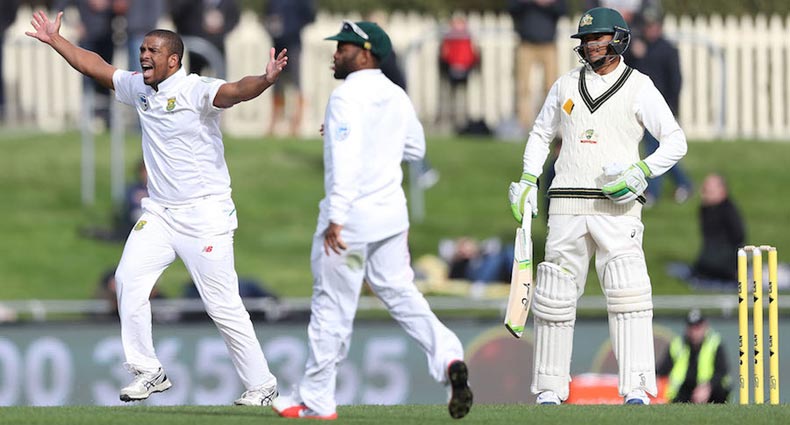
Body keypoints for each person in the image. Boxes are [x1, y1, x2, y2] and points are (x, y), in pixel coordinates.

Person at [26, 10, 288, 405]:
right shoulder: (141, 87)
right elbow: (95, 66)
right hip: (160, 213)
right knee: (127, 281)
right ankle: (148, 371)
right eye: (143, 49)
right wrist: (56, 40)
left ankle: (262, 385)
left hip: (205, 215)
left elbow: (235, 91)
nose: (144, 55)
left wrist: (265, 80)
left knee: (222, 305)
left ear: (173, 59)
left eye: (152, 51)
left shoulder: (196, 90)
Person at [272, 21, 472, 420]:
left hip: (351, 221)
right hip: (391, 218)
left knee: (332, 307)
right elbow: (415, 149)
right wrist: (375, 138)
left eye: (343, 48)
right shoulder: (396, 94)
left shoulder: (345, 96)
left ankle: (317, 400)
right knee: (401, 292)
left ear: (365, 54)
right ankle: (449, 357)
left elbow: (345, 163)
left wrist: (336, 217)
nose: (335, 54)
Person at [507, 7, 687, 405]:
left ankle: (637, 388)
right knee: (554, 295)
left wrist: (641, 170)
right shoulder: (565, 85)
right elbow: (540, 133)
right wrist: (528, 179)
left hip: (616, 207)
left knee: (627, 292)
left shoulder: (639, 86)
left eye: (598, 38)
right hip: (566, 203)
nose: (590, 45)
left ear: (618, 39)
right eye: (586, 39)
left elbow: (675, 141)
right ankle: (550, 389)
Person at [625, 8, 692, 206]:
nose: (651, 29)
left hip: (661, 108)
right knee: (658, 150)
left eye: (654, 25)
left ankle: (653, 192)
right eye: (648, 26)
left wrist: (671, 108)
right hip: (640, 108)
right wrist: (634, 54)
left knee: (655, 150)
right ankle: (683, 184)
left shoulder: (667, 50)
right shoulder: (636, 47)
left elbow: (675, 81)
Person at [667, 173, 745, 289]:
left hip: (726, 264)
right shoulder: (706, 210)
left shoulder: (728, 210)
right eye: (705, 189)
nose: (704, 193)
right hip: (709, 261)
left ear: (722, 191)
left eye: (709, 190)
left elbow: (739, 236)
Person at [508, 0, 567, 129]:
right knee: (523, 87)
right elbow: (512, 8)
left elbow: (562, 9)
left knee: (551, 86)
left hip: (548, 44)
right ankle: (524, 124)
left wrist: (548, 3)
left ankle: (549, 123)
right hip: (526, 44)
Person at [263, 0, 316, 137]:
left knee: (296, 82)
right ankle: (275, 120)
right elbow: (268, 14)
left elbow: (310, 16)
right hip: (277, 43)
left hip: (294, 43)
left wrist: (292, 27)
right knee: (275, 83)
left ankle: (297, 122)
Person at [657, 309, 731, 403]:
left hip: (711, 391)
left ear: (705, 326)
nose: (694, 332)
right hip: (683, 392)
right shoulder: (678, 344)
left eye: (697, 327)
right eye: (691, 327)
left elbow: (721, 372)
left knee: (719, 391)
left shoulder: (714, 343)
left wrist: (707, 387)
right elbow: (662, 369)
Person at [169, 0, 240, 75]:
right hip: (196, 46)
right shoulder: (191, 3)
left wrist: (221, 28)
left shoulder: (228, 2)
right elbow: (178, 14)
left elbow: (233, 18)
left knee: (219, 75)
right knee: (195, 74)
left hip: (217, 45)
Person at [438, 14, 479, 131]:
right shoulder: (449, 37)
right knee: (451, 96)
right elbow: (445, 53)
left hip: (464, 69)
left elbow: (472, 54)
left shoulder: (467, 37)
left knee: (462, 96)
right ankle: (453, 118)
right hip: (452, 69)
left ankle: (462, 119)